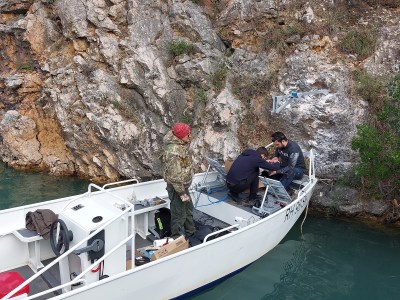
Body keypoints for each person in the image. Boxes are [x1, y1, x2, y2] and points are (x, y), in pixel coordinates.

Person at [163, 122, 196, 239]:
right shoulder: (174, 152)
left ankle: (191, 232)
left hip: (183, 187)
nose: (190, 136)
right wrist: (182, 194)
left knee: (188, 209)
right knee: (179, 214)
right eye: (188, 134)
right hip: (177, 189)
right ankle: (177, 238)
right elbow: (175, 177)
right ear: (181, 136)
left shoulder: (180, 143)